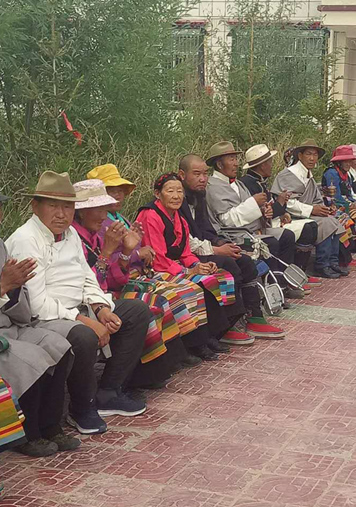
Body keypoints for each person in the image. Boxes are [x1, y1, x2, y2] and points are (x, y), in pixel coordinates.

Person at [6, 171, 151, 435]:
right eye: (53, 206)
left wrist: (100, 307)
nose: (61, 214)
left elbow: (86, 276)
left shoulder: (69, 233)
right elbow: (36, 304)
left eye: (67, 206)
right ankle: (82, 407)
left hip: (79, 308)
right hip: (45, 318)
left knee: (136, 312)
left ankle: (108, 391)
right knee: (83, 335)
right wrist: (84, 320)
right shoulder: (27, 239)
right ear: (35, 206)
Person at [87, 164, 212, 365]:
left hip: (137, 271)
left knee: (196, 286)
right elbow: (115, 260)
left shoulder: (120, 218)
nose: (117, 196)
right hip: (117, 282)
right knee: (171, 295)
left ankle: (195, 343)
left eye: (120, 191)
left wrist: (194, 264)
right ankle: (173, 354)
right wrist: (138, 253)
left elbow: (182, 250)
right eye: (111, 191)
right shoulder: (135, 217)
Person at [72, 178, 187, 389]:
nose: (103, 216)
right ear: (80, 212)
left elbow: (116, 279)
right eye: (98, 210)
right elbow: (88, 284)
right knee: (145, 307)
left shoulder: (94, 234)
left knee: (158, 300)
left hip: (105, 294)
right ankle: (127, 380)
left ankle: (152, 370)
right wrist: (108, 252)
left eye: (104, 210)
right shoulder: (76, 238)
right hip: (86, 302)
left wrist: (126, 251)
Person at [0, 190, 78, 457]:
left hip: (11, 323)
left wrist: (14, 288)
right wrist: (3, 286)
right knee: (32, 358)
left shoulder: (0, 245)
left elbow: (18, 299)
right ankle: (28, 434)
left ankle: (50, 425)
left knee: (59, 346)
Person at [178, 153, 284, 343]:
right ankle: (228, 325)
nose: (203, 179)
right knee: (228, 263)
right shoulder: (178, 200)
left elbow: (206, 229)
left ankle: (254, 316)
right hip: (186, 255)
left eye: (205, 174)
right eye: (196, 174)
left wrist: (220, 243)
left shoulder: (199, 196)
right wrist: (217, 250)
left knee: (243, 259)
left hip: (204, 247)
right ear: (182, 175)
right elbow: (186, 240)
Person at [136, 173, 242, 348]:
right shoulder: (150, 215)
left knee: (219, 276)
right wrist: (188, 272)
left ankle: (217, 333)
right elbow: (158, 259)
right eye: (170, 191)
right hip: (155, 269)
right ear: (157, 194)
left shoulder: (178, 217)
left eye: (179, 191)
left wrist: (198, 265)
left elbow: (185, 252)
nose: (176, 196)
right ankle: (198, 343)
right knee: (197, 286)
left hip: (173, 265)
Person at [205, 141, 296, 278]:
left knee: (287, 236)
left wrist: (264, 212)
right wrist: (253, 203)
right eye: (231, 159)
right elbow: (226, 220)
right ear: (219, 164)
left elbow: (253, 209)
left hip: (255, 230)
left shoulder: (238, 183)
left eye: (236, 159)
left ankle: (285, 278)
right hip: (237, 236)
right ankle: (272, 282)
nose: (236, 163)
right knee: (271, 243)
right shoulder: (213, 187)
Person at [239, 144, 320, 286]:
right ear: (262, 165)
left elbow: (271, 210)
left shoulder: (259, 181)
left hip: (271, 223)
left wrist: (283, 212)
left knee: (310, 226)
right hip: (257, 228)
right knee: (291, 234)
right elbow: (265, 213)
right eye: (269, 162)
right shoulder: (248, 184)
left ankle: (297, 274)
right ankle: (284, 281)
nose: (271, 166)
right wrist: (281, 202)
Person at [271, 139, 347, 280]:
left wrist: (326, 209)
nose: (312, 158)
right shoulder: (288, 175)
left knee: (334, 220)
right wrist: (311, 209)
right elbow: (288, 203)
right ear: (300, 156)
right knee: (326, 223)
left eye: (315, 155)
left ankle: (333, 261)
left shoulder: (308, 176)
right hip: (291, 216)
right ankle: (322, 264)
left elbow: (317, 200)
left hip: (307, 213)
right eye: (308, 154)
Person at [322, 145, 356, 248]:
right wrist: (351, 205)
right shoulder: (332, 173)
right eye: (345, 161)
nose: (348, 164)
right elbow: (336, 197)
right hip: (333, 205)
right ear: (339, 162)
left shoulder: (345, 173)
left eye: (349, 161)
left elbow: (349, 193)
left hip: (345, 202)